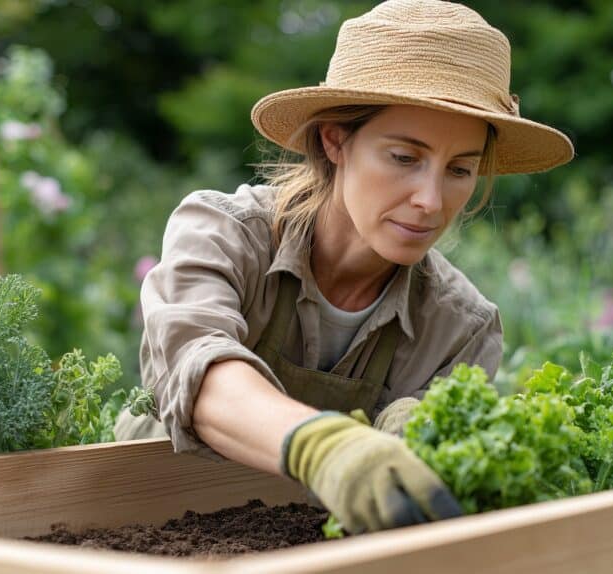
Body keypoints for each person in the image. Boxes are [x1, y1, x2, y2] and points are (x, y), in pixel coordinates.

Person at [114, 0, 573, 534]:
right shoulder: (225, 234)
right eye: (404, 158)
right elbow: (201, 372)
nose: (430, 200)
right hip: (145, 523)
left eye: (459, 169)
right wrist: (325, 447)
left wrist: (416, 428)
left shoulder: (460, 327)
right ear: (335, 140)